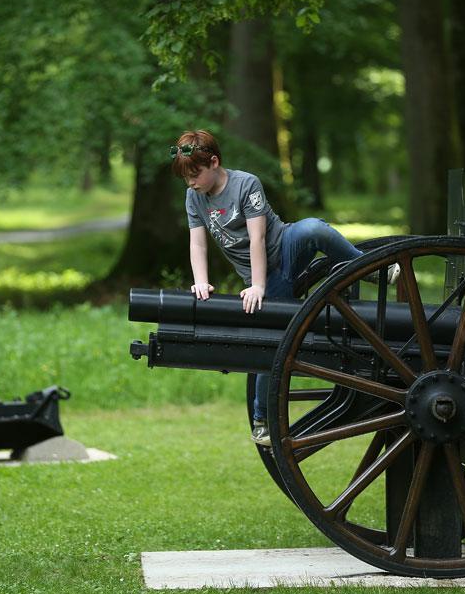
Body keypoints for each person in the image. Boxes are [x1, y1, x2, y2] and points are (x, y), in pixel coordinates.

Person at [171, 129, 400, 446]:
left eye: (195, 175)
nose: (191, 182)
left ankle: (365, 267)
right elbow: (197, 243)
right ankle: (262, 419)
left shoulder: (245, 184)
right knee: (272, 344)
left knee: (314, 228)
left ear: (214, 162)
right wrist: (200, 281)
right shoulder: (194, 197)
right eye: (186, 178)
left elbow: (258, 239)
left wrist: (259, 287)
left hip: (283, 251)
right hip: (262, 277)